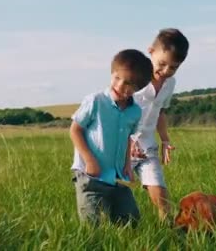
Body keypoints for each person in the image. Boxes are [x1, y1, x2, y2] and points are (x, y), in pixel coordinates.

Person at [70, 49, 153, 226]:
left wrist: (128, 166)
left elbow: (129, 140)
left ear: (138, 88)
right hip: (90, 177)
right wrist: (89, 160)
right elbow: (75, 130)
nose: (119, 84)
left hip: (117, 178)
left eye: (128, 83)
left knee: (131, 221)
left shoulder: (135, 112)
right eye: (116, 78)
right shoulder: (95, 101)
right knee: (93, 225)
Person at [130, 28, 189, 220]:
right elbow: (117, 113)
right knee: (116, 196)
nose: (166, 71)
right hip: (122, 146)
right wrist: (128, 141)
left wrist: (165, 140)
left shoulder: (169, 84)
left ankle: (169, 232)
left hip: (147, 146)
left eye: (173, 67)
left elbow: (160, 112)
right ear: (151, 52)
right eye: (162, 64)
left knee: (161, 194)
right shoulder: (133, 78)